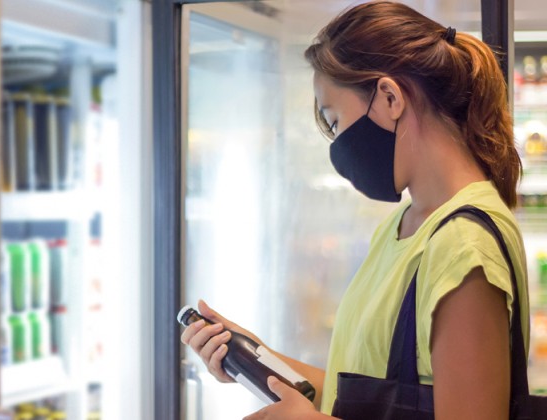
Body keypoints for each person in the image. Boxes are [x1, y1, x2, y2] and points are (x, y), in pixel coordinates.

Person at [180, 2, 529, 419]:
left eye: (335, 121)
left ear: (389, 97)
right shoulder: (403, 228)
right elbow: (370, 398)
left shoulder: (463, 245)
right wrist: (257, 357)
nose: (338, 145)